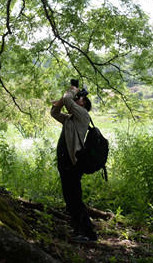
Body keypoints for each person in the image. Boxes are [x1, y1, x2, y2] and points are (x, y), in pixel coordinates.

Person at [50, 78, 97, 242]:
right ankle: (79, 231)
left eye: (80, 99)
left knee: (75, 199)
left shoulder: (83, 116)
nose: (78, 99)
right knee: (70, 200)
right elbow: (54, 113)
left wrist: (72, 90)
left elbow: (70, 100)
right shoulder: (70, 119)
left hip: (73, 164)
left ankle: (88, 233)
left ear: (83, 105)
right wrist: (61, 101)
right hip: (65, 164)